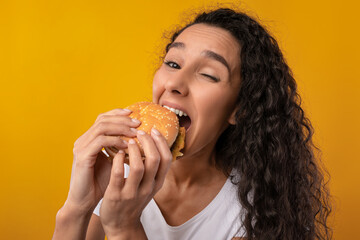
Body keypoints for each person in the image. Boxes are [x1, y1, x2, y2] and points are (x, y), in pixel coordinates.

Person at [52, 8, 332, 240]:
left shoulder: (254, 211)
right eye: (173, 63)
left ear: (239, 109)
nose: (174, 83)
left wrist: (124, 227)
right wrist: (77, 207)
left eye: (208, 75)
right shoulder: (119, 175)